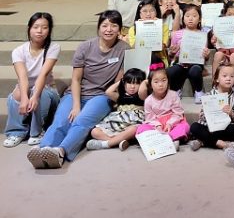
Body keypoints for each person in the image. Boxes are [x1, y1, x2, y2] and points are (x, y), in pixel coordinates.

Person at [27, 10, 128, 169]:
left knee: (82, 120)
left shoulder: (124, 49)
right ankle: (43, 149)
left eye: (114, 26)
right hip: (77, 93)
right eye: (105, 25)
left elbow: (118, 81)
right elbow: (76, 79)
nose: (109, 29)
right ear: (98, 27)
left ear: (120, 29)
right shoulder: (85, 47)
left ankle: (61, 152)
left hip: (101, 96)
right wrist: (76, 105)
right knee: (61, 119)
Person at [4, 13, 60, 148]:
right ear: (29, 28)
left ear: (49, 30)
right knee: (16, 94)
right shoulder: (19, 51)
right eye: (36, 27)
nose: (40, 31)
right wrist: (24, 97)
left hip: (47, 91)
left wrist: (34, 96)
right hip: (27, 87)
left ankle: (37, 132)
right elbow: (22, 77)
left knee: (38, 92)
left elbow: (43, 74)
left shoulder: (53, 47)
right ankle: (17, 132)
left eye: (44, 27)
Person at [85, 68, 147, 151]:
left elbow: (143, 90)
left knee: (134, 129)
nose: (132, 86)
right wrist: (121, 80)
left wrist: (144, 81)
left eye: (136, 83)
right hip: (117, 122)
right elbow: (108, 92)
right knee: (94, 131)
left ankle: (107, 144)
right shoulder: (120, 96)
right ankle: (118, 141)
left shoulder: (141, 96)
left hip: (132, 122)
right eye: (129, 82)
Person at [188, 62, 234, 152]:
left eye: (232, 76)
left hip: (225, 127)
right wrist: (205, 114)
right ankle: (221, 143)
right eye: (224, 76)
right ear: (217, 79)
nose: (228, 79)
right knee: (194, 127)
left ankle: (203, 142)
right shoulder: (209, 95)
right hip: (210, 127)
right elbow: (202, 115)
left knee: (233, 130)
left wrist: (231, 113)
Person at [136, 67, 189, 149]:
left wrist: (170, 124)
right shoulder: (148, 100)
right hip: (156, 125)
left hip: (173, 122)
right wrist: (158, 126)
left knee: (185, 126)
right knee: (141, 128)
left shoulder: (173, 95)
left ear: (168, 81)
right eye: (156, 82)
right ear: (150, 84)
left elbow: (178, 113)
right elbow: (150, 118)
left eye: (164, 80)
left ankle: (172, 139)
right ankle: (164, 140)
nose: (160, 84)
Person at [166, 4, 210, 103]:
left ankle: (198, 91)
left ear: (199, 19)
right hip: (180, 63)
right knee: (171, 71)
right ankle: (175, 90)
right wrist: (172, 52)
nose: (191, 19)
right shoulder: (176, 34)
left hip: (196, 64)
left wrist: (206, 56)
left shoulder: (202, 35)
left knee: (195, 70)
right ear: (183, 18)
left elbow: (205, 56)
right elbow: (171, 56)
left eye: (194, 16)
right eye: (187, 16)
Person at [126, 0, 169, 67]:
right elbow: (134, 48)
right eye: (144, 11)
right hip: (140, 60)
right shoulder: (132, 29)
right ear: (139, 14)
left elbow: (161, 47)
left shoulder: (164, 27)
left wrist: (156, 27)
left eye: (152, 11)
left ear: (157, 12)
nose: (148, 14)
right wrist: (141, 29)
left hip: (159, 60)